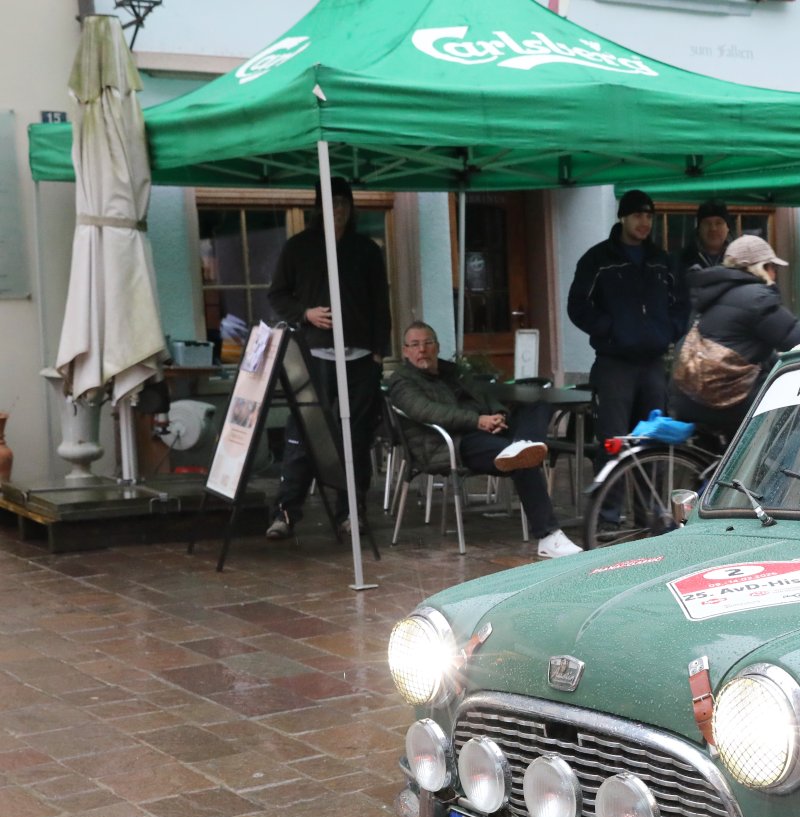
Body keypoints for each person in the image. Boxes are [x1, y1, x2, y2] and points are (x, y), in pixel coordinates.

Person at [387, 323, 582, 558]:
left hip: (485, 430)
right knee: (522, 460)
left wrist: (499, 415)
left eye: (428, 343)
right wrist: (478, 421)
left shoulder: (453, 372)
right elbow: (429, 412)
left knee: (539, 407)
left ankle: (522, 444)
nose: (422, 350)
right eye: (415, 345)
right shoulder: (401, 381)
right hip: (452, 444)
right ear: (405, 350)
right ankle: (549, 536)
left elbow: (485, 396)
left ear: (437, 347)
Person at [265, 177, 390, 540]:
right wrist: (305, 314)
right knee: (305, 432)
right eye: (331, 204)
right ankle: (286, 512)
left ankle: (351, 512)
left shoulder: (367, 249)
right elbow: (277, 295)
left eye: (343, 204)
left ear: (351, 207)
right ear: (318, 208)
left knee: (357, 436)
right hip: (315, 355)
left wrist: (379, 350)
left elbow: (381, 302)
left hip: (361, 357)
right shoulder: (298, 248)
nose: (337, 210)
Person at [567, 189, 685, 519]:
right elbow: (578, 306)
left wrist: (669, 331)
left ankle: (650, 515)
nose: (644, 222)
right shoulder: (597, 259)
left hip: (653, 364)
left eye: (649, 216)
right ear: (622, 217)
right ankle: (608, 516)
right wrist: (610, 328)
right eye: (637, 215)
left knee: (652, 441)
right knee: (614, 442)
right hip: (614, 364)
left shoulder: (662, 260)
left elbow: (681, 303)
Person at [671, 235, 800, 437]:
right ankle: (773, 457)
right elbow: (797, 338)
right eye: (772, 267)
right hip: (723, 398)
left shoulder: (711, 294)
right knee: (791, 404)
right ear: (761, 268)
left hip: (687, 396)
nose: (775, 274)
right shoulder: (757, 298)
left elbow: (741, 346)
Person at [675, 199, 732, 299]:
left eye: (719, 223)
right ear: (699, 228)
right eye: (707, 223)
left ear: (727, 228)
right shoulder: (680, 260)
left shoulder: (739, 260)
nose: (713, 228)